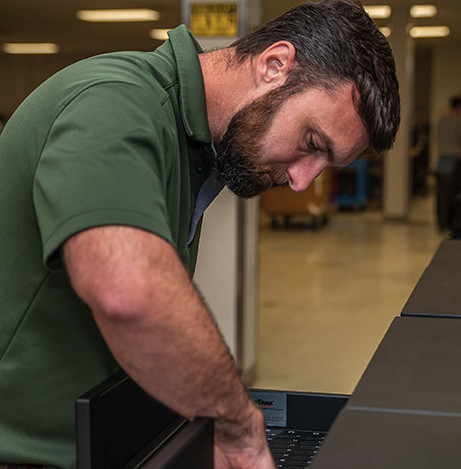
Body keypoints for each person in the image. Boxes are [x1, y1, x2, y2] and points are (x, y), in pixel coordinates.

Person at [0, 0, 400, 468]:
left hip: (100, 443)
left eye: (324, 165)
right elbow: (129, 290)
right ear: (275, 65)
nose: (302, 181)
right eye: (311, 143)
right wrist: (239, 425)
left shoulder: (196, 148)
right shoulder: (114, 102)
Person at [435, 95, 461, 231]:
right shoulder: (457, 122)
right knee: (452, 193)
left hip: (441, 160)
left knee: (441, 193)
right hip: (454, 160)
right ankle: (451, 223)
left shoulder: (441, 121)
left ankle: (441, 223)